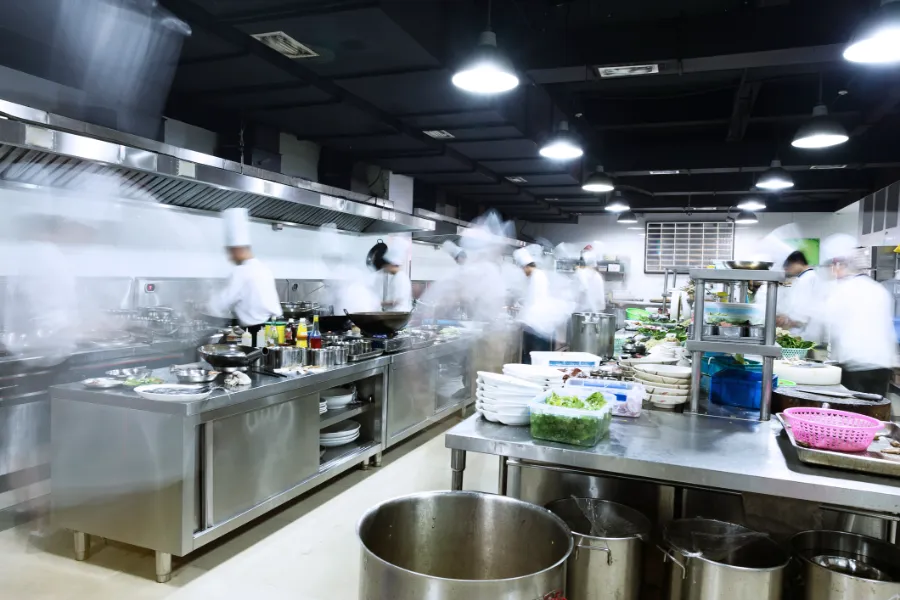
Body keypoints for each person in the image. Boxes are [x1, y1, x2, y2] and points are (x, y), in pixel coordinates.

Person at [820, 234, 897, 395]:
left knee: (854, 407)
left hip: (855, 364)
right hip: (882, 364)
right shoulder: (877, 288)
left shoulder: (842, 290)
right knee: (877, 406)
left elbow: (824, 319)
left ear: (839, 265)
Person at [208, 208, 281, 345]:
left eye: (230, 253)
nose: (230, 258)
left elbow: (221, 302)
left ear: (237, 250)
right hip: (275, 329)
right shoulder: (264, 269)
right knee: (269, 357)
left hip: (255, 333)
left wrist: (204, 306)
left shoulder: (241, 272)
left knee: (253, 357)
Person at [514, 247, 552, 364]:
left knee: (533, 357)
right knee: (535, 357)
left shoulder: (537, 277)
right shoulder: (537, 275)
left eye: (522, 269)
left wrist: (521, 318)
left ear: (526, 266)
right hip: (538, 324)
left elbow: (534, 301)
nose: (523, 272)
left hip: (537, 325)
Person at [776, 250, 822, 342]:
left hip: (803, 331)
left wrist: (787, 319)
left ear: (798, 262)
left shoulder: (807, 279)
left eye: (789, 266)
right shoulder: (807, 277)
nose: (788, 269)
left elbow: (802, 307)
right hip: (803, 329)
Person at [379, 240, 413, 312]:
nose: (385, 269)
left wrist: (378, 303)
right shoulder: (397, 276)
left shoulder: (400, 278)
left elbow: (397, 301)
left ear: (391, 264)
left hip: (398, 314)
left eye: (385, 266)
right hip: (395, 314)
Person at [574, 248, 606, 313]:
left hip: (588, 308)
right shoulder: (596, 275)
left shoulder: (582, 272)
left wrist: (577, 301)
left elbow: (584, 289)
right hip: (597, 307)